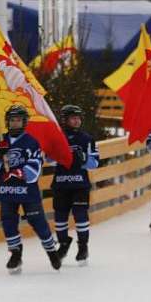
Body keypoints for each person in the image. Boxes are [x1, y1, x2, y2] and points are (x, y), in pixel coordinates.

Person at [0, 104, 61, 274]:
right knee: (8, 222)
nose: (15, 123)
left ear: (24, 122)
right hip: (7, 191)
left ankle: (51, 251)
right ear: (7, 122)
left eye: (18, 120)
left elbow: (34, 171)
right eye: (12, 120)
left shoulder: (32, 142)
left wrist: (17, 173)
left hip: (27, 192)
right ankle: (15, 253)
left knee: (38, 223)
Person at [52, 105, 99, 266]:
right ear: (65, 120)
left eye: (78, 117)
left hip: (80, 184)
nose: (77, 120)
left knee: (80, 215)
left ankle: (83, 247)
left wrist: (84, 158)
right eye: (73, 117)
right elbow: (48, 159)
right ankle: (63, 243)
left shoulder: (87, 139)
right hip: (60, 184)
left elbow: (94, 163)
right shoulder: (57, 137)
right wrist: (57, 153)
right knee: (60, 218)